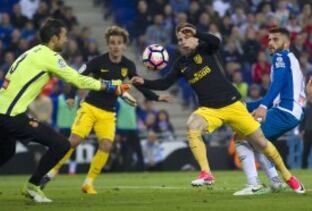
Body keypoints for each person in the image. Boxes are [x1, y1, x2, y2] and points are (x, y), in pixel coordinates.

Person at [0, 18, 129, 205]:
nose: (66, 40)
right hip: (10, 115)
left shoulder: (31, 51)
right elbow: (78, 80)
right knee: (62, 144)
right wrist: (111, 86)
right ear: (54, 38)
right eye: (64, 36)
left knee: (5, 154)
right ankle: (33, 185)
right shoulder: (50, 57)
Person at [131, 23, 305, 194]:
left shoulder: (206, 49)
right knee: (192, 125)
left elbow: (216, 41)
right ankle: (207, 173)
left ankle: (288, 177)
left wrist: (197, 32)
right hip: (210, 109)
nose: (183, 41)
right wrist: (144, 82)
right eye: (179, 39)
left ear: (194, 38)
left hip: (232, 104)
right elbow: (164, 83)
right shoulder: (180, 64)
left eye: (186, 37)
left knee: (260, 142)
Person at [40, 26, 171, 194]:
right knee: (73, 141)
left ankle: (88, 183)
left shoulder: (128, 65)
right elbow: (77, 77)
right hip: (89, 107)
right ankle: (50, 173)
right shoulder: (97, 61)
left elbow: (139, 85)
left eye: (119, 43)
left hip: (108, 113)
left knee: (107, 145)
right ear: (108, 45)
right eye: (112, 43)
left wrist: (157, 97)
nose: (115, 46)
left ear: (124, 45)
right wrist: (71, 95)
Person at [234, 28, 306, 196]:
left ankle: (254, 184)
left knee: (242, 137)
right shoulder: (291, 60)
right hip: (291, 112)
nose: (271, 43)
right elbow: (277, 95)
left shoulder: (281, 57)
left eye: (275, 39)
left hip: (285, 111)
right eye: (269, 39)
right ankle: (276, 183)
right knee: (259, 141)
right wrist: (248, 106)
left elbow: (277, 84)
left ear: (286, 43)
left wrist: (263, 107)